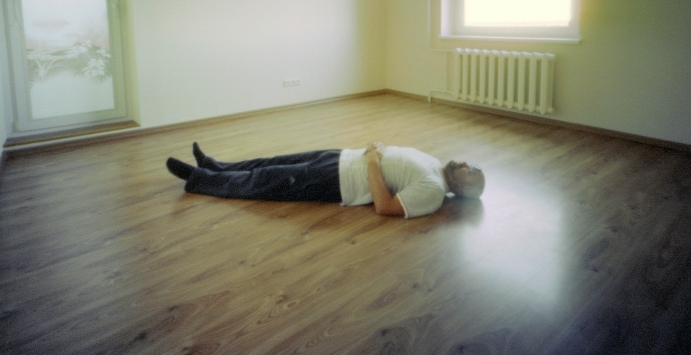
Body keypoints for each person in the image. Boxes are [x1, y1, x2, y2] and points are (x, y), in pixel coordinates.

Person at [166, 141, 485, 218]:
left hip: (337, 180)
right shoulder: (434, 165)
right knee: (271, 162)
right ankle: (214, 165)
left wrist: (373, 162)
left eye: (470, 171)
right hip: (340, 157)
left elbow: (385, 207)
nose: (465, 164)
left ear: (462, 187)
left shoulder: (433, 192)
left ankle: (199, 179)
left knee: (264, 180)